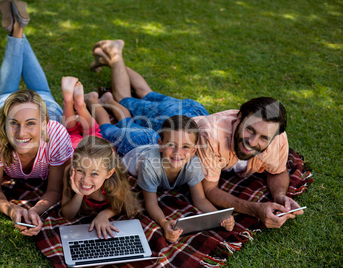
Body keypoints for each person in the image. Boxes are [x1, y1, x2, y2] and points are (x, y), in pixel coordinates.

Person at [90, 39, 304, 229]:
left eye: (263, 138)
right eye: (250, 130)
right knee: (126, 100)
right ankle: (115, 52)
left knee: (147, 94)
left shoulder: (275, 137)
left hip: (196, 115)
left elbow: (278, 171)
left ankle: (111, 60)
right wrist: (255, 209)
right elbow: (209, 191)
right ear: (238, 118)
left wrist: (280, 196)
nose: (253, 142)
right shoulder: (210, 136)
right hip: (182, 120)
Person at [84, 69, 234, 243]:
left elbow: (200, 199)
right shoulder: (151, 165)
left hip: (147, 140)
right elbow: (151, 204)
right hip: (132, 145)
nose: (178, 153)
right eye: (172, 145)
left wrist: (219, 216)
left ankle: (109, 100)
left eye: (186, 147)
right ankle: (92, 100)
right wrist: (164, 223)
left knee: (127, 122)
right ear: (161, 144)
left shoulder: (193, 164)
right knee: (107, 128)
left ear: (194, 151)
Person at [0, 0, 73, 236]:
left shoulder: (56, 133)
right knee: (5, 95)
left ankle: (17, 27)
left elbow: (54, 189)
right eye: (14, 124)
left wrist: (36, 210)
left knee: (7, 92)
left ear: (44, 123)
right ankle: (18, 27)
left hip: (45, 105)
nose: (21, 134)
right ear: (5, 123)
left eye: (30, 124)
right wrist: (11, 210)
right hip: (10, 106)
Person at [60, 136, 141, 239]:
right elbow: (68, 215)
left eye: (94, 174)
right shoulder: (70, 174)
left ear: (109, 173)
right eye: (80, 170)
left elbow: (124, 205)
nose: (85, 180)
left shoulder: (114, 183)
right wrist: (79, 194)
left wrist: (104, 215)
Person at [60, 76, 103, 150]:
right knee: (92, 135)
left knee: (72, 133)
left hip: (79, 152)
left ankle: (70, 103)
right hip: (97, 155)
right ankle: (77, 105)